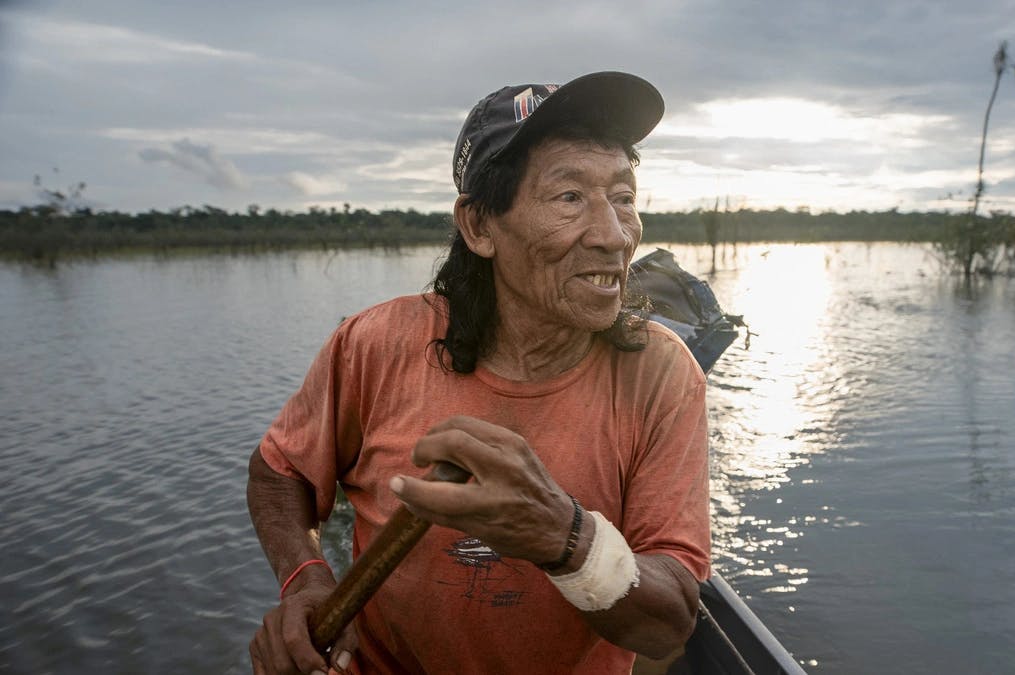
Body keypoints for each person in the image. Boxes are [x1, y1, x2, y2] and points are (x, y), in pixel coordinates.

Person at [247, 71, 711, 674]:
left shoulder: (662, 374)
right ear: (480, 226)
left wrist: (562, 537)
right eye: (570, 198)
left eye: (623, 197)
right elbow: (279, 470)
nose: (614, 235)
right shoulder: (376, 344)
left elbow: (670, 624)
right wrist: (306, 578)